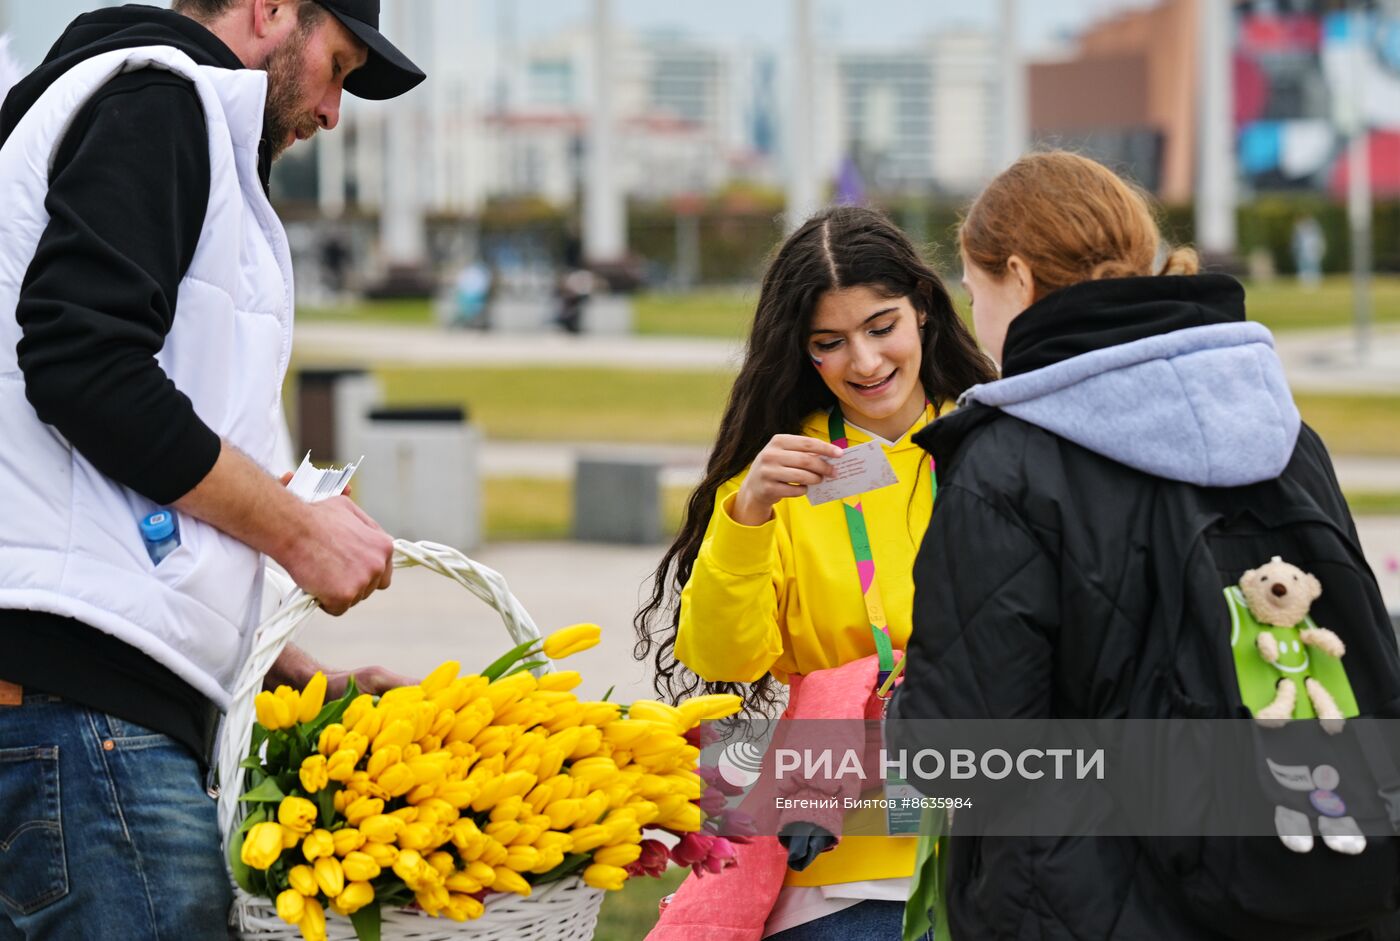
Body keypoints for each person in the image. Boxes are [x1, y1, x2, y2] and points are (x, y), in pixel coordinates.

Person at [887, 152, 1400, 938]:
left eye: (972, 287)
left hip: (1078, 905)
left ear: (1017, 279)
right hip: (1310, 877)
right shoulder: (1285, 432)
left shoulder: (1009, 462)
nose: (973, 313)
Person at [0, 1, 424, 936]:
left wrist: (296, 680)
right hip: (85, 727)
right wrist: (298, 528)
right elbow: (82, 364)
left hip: (68, 713)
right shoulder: (163, 98)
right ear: (273, 11)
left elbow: (109, 509)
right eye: (340, 66)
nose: (333, 112)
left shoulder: (134, 106)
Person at [635, 206, 995, 938]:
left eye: (881, 326)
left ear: (923, 310)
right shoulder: (782, 475)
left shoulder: (997, 443)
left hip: (994, 857)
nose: (864, 363)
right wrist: (749, 514)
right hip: (842, 881)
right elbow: (722, 657)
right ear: (803, 353)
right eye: (830, 343)